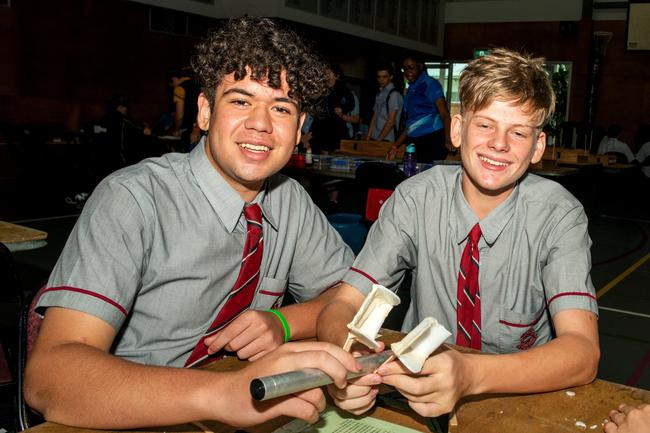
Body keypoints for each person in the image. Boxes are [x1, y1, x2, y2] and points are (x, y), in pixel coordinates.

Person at [24, 16, 360, 429]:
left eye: (281, 107)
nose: (261, 122)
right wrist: (223, 394)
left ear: (299, 130)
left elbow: (349, 295)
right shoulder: (133, 199)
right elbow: (49, 378)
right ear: (204, 111)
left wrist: (285, 321)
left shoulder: (289, 199)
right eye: (240, 100)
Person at [318, 48, 600, 418]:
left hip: (518, 398)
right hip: (416, 395)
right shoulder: (415, 199)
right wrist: (350, 362)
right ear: (456, 129)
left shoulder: (559, 216)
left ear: (538, 147)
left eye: (518, 132)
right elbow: (342, 304)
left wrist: (470, 374)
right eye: (485, 124)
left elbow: (582, 352)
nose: (499, 144)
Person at [387, 52, 452, 163]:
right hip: (414, 142)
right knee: (409, 175)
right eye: (405, 69)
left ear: (420, 66)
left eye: (411, 68)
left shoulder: (430, 84)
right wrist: (395, 146)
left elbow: (445, 114)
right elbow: (410, 125)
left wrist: (448, 139)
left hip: (432, 140)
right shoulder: (411, 89)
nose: (408, 72)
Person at [308, 64, 355, 154]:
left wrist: (342, 109)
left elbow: (351, 103)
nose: (326, 75)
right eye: (325, 73)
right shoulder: (321, 89)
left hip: (335, 128)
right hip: (321, 127)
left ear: (336, 76)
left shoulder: (343, 90)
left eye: (328, 73)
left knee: (334, 153)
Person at [366, 62, 403, 143]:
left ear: (391, 77)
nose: (381, 79)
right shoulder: (380, 93)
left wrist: (378, 140)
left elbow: (391, 121)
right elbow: (374, 117)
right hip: (375, 137)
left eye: (384, 77)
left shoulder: (394, 95)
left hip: (386, 139)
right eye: (379, 77)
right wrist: (368, 137)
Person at [167, 67, 201, 151]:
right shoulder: (199, 84)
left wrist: (176, 129)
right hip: (203, 128)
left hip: (191, 133)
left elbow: (180, 116)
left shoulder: (179, 89)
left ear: (173, 79)